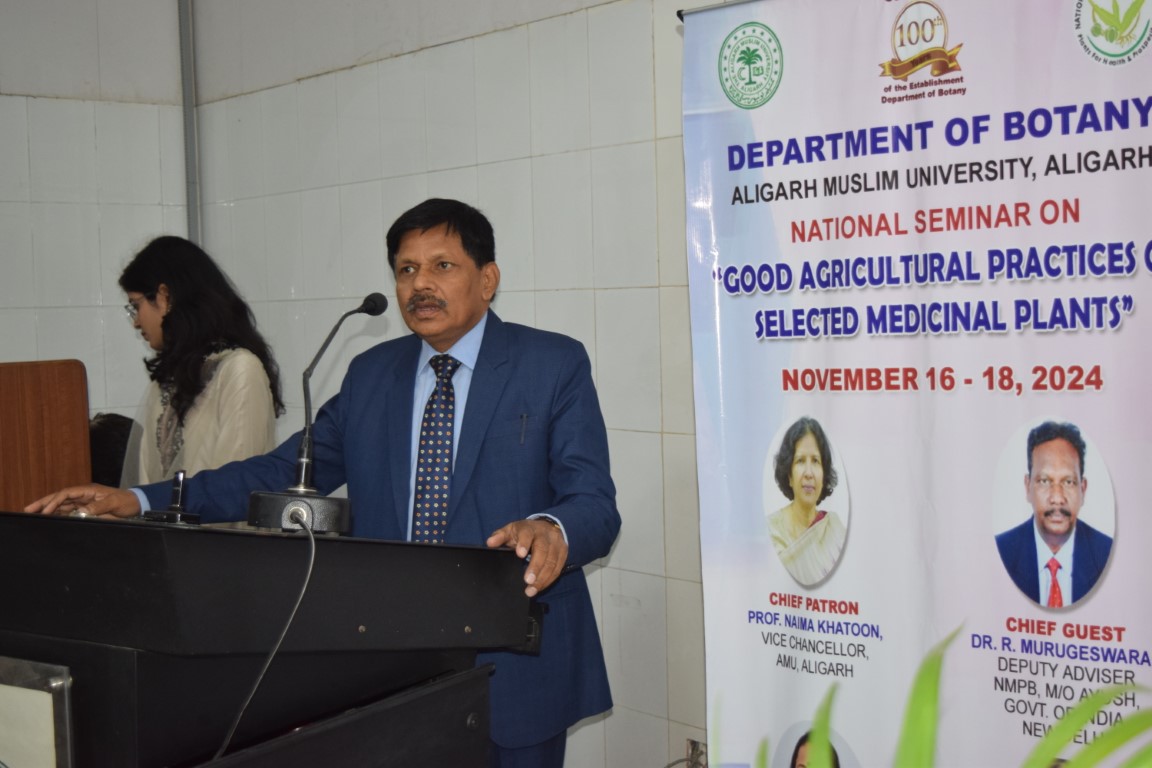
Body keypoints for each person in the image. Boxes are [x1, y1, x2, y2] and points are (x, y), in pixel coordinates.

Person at [26, 199, 621, 767]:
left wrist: (552, 529)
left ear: (487, 279)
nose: (420, 284)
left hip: (516, 658)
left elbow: (593, 503)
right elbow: (277, 472)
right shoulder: (372, 375)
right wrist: (140, 499)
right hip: (396, 661)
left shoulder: (551, 365)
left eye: (442, 266)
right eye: (406, 270)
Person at [118, 235, 284, 484]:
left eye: (135, 305)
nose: (136, 322)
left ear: (164, 297)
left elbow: (234, 485)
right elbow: (146, 486)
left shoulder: (239, 370)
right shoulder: (167, 378)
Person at [995, 421, 1112, 607]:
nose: (1057, 498)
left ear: (1083, 490)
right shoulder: (1000, 552)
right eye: (1044, 481)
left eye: (1068, 482)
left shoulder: (1107, 555)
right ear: (1028, 487)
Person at [767, 417, 847, 586]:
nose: (809, 473)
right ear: (789, 475)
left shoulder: (833, 528)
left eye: (816, 461)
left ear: (824, 475)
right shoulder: (772, 531)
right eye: (800, 461)